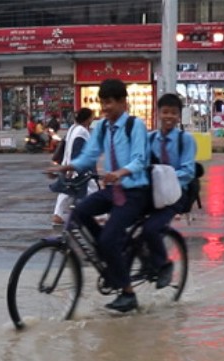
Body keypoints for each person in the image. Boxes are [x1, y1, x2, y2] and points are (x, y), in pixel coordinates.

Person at [48, 78, 150, 313]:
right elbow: (89, 155)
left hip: (135, 191)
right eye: (102, 103)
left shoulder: (135, 126)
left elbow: (140, 159)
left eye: (110, 103)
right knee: (80, 212)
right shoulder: (103, 127)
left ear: (124, 102)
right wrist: (66, 167)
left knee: (107, 239)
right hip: (112, 189)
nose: (105, 108)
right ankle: (111, 253)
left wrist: (120, 172)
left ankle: (128, 293)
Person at [142, 93, 196, 289]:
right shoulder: (149, 139)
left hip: (175, 195)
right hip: (151, 193)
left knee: (151, 228)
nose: (169, 117)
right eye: (165, 112)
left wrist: (165, 178)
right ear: (158, 114)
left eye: (173, 113)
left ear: (179, 116)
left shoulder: (185, 140)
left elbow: (188, 171)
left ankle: (165, 264)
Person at [51, 107, 96, 226]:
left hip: (68, 164)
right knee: (92, 187)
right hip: (78, 167)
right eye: (91, 117)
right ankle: (100, 216)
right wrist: (73, 167)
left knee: (67, 190)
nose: (92, 119)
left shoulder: (73, 128)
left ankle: (58, 214)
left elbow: (65, 145)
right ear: (87, 119)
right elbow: (78, 148)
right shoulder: (82, 131)